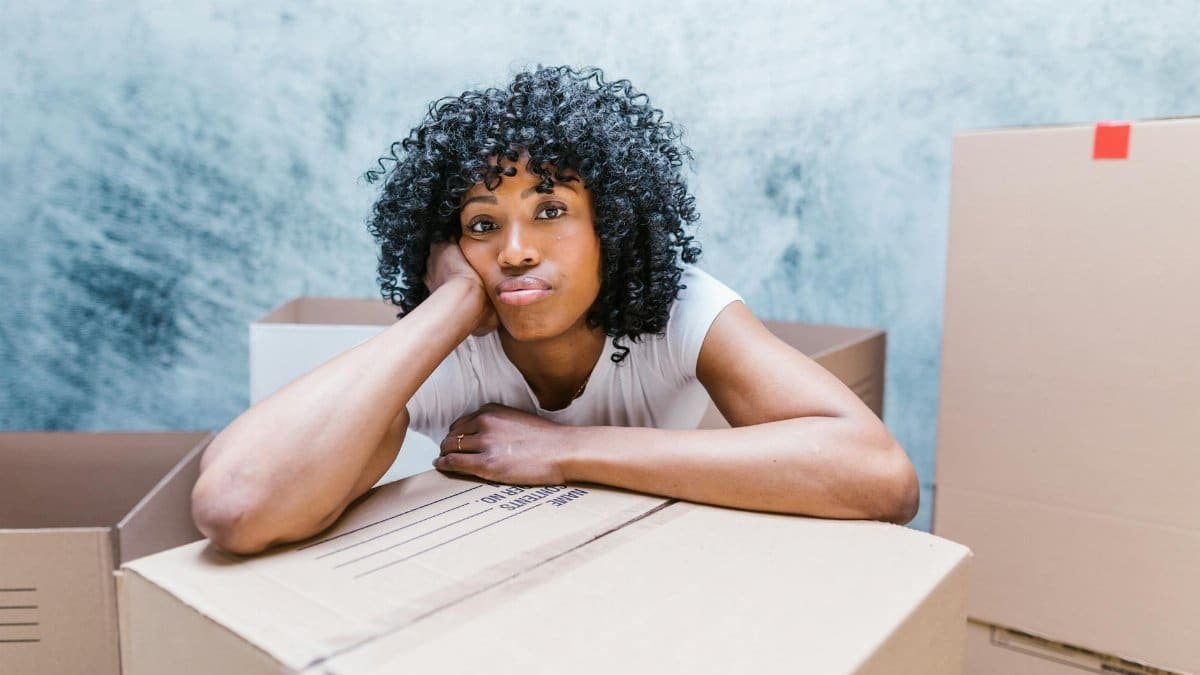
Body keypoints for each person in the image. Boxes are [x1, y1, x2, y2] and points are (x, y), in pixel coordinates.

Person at [191, 65, 919, 555]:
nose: (513, 250)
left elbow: (882, 476)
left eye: (550, 209)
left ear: (613, 223)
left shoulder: (680, 307)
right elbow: (235, 504)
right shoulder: (447, 339)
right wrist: (446, 309)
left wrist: (562, 449)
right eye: (481, 224)